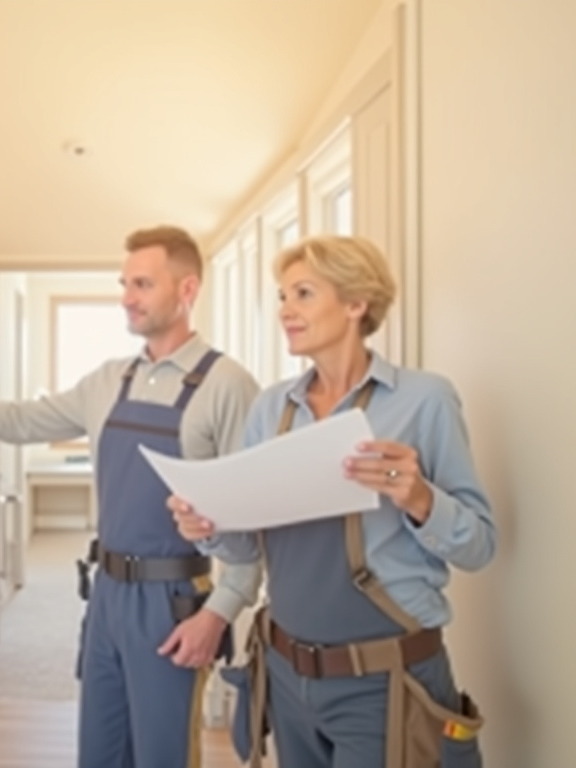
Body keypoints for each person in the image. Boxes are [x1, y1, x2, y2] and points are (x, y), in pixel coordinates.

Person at [0, 225, 263, 768]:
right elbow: (23, 418)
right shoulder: (108, 379)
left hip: (172, 601)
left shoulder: (228, 385)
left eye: (143, 284)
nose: (127, 297)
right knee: (99, 753)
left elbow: (253, 520)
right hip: (105, 595)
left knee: (163, 756)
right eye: (124, 283)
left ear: (188, 289)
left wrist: (217, 615)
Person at [168, 235, 496, 768]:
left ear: (355, 303)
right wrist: (208, 524)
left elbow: (480, 546)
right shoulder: (272, 408)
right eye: (281, 296)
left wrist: (418, 497)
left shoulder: (424, 400)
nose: (285, 311)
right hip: (286, 675)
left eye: (302, 294)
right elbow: (246, 548)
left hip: (383, 683)